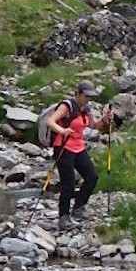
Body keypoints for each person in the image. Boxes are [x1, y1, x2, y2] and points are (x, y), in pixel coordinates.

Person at [46, 79, 114, 229]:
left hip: (78, 146)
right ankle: (63, 217)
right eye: (86, 95)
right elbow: (50, 121)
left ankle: (78, 207)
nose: (88, 99)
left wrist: (104, 119)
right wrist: (63, 130)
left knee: (92, 176)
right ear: (78, 93)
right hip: (63, 147)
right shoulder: (67, 106)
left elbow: (94, 126)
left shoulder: (87, 109)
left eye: (90, 96)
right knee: (68, 183)